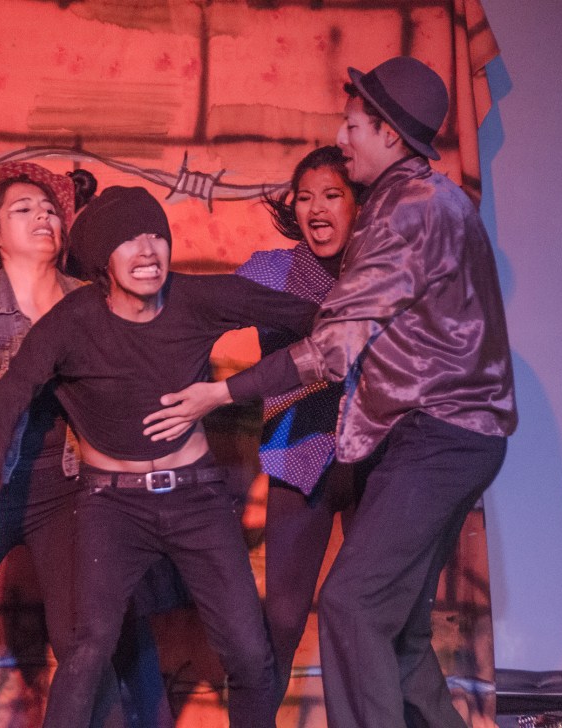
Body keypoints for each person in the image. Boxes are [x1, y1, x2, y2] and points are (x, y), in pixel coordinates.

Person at [145, 57, 517, 728]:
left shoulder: (404, 211)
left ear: (389, 134)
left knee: (351, 605)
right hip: (383, 447)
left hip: (429, 441)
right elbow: (217, 301)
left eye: (352, 127)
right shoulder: (433, 202)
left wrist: (219, 395)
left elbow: (331, 349)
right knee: (396, 630)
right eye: (305, 195)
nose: (342, 140)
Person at [0, 185, 319, 728]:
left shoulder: (198, 298)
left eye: (156, 236)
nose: (148, 250)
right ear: (103, 259)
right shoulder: (71, 323)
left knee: (250, 653)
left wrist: (229, 392)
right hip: (112, 507)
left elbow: (322, 324)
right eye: (129, 240)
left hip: (197, 497)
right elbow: (2, 405)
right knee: (87, 649)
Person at [0, 162, 171, 728]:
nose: (43, 217)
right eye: (22, 209)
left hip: (66, 488)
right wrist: (32, 355)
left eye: (50, 209)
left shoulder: (92, 302)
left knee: (85, 645)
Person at [234, 145, 366, 708]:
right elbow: (201, 307)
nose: (317, 209)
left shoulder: (383, 273)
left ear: (358, 203)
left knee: (376, 621)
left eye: (332, 195)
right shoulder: (272, 271)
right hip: (298, 461)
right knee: (282, 621)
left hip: (375, 465)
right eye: (305, 197)